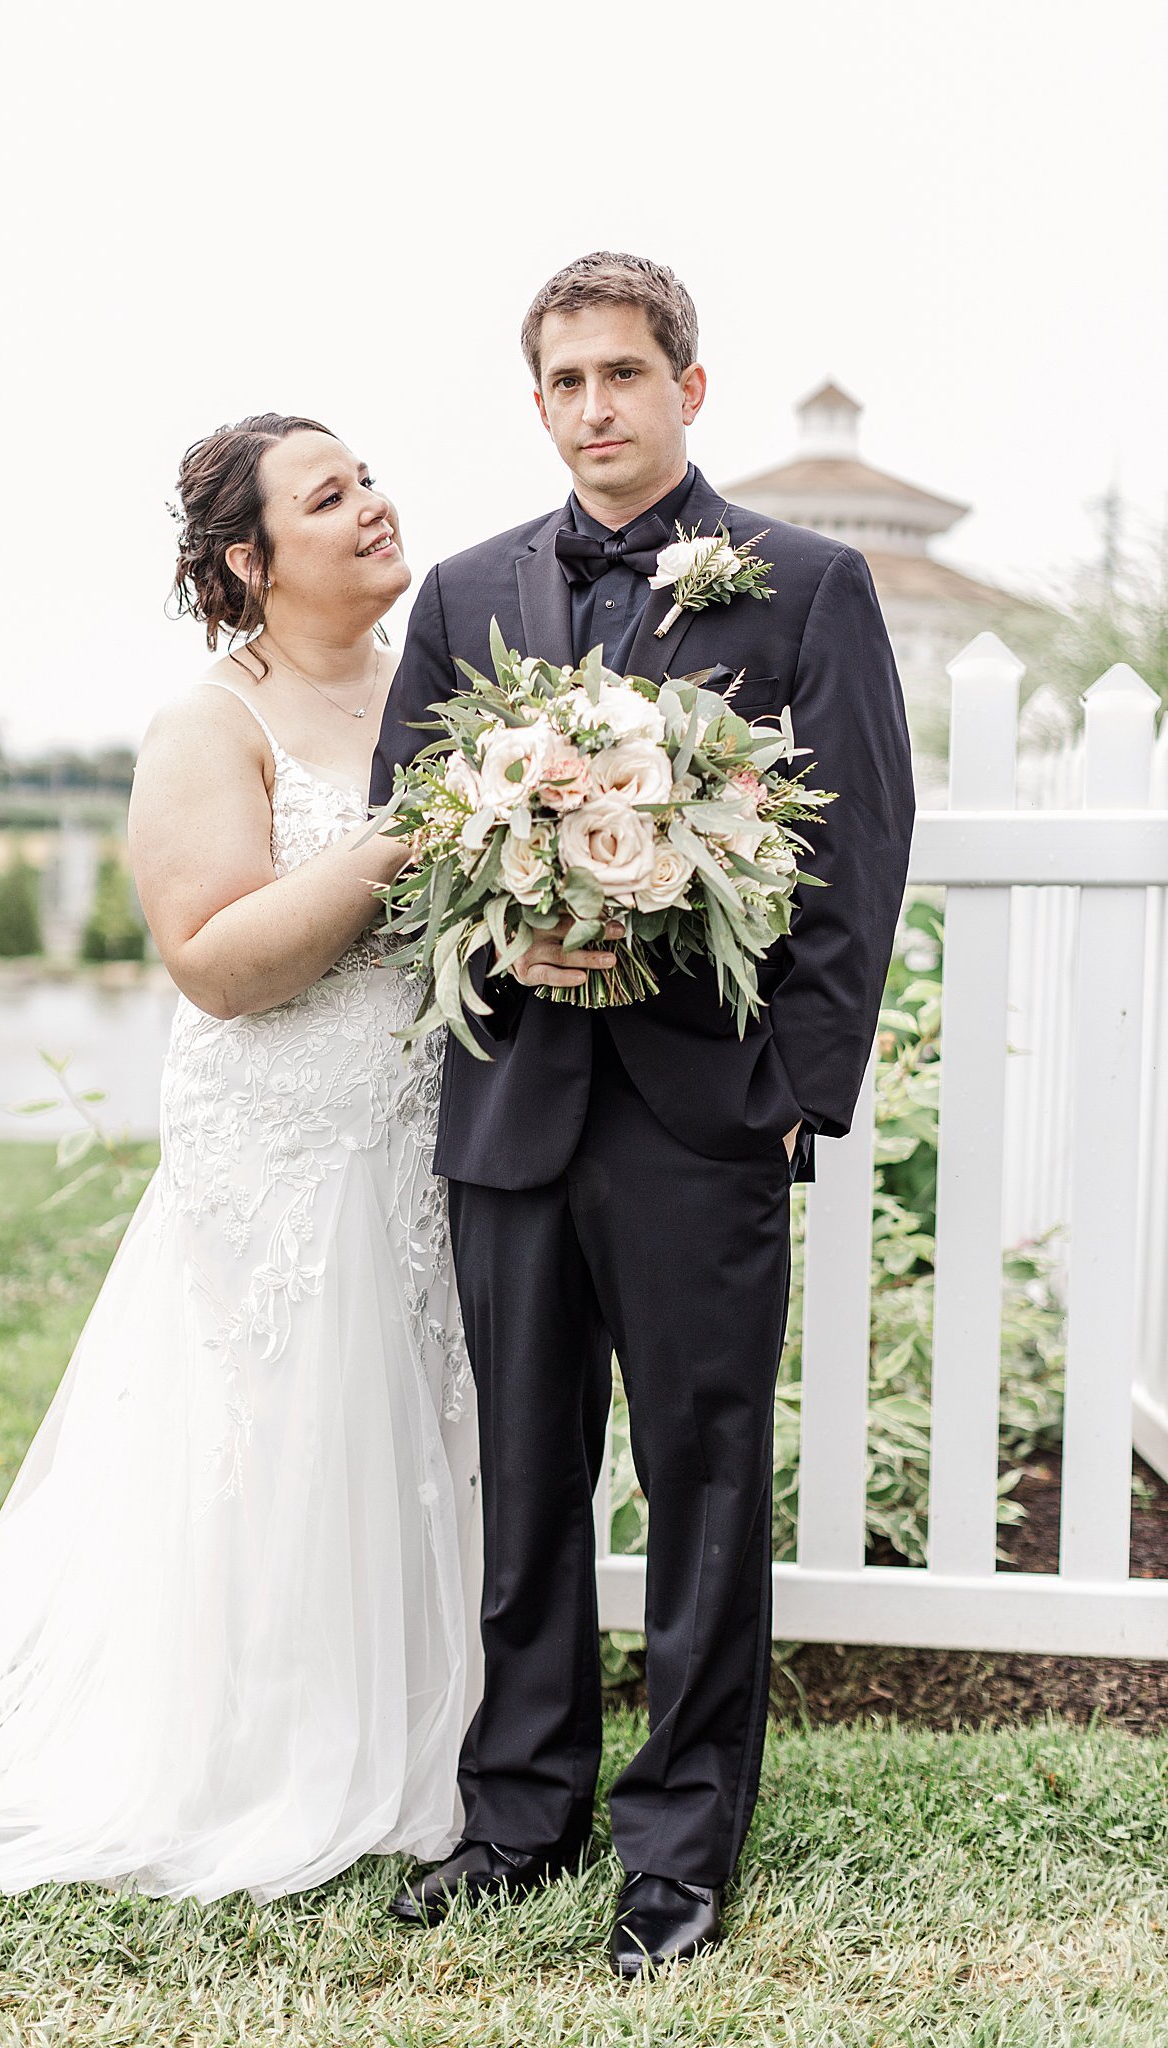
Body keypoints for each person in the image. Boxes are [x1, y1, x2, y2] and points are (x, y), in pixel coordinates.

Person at [0, 413, 481, 1903]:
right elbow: (216, 962)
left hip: (425, 1134)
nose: (373, 503)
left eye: (366, 476)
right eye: (330, 495)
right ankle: (259, 1733)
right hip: (282, 1138)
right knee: (273, 1425)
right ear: (251, 560)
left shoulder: (434, 684)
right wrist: (401, 841)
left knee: (406, 1413)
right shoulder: (210, 723)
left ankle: (438, 1716)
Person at [372, 254, 915, 1975]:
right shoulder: (464, 595)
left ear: (688, 385)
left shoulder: (803, 588)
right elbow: (414, 842)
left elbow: (852, 866)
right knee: (523, 1484)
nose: (594, 406)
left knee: (699, 1480)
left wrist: (785, 1101)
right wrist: (507, 918)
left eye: (622, 373)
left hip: (700, 1116)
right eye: (564, 382)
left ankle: (680, 1842)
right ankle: (520, 1812)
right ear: (536, 404)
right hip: (513, 1114)